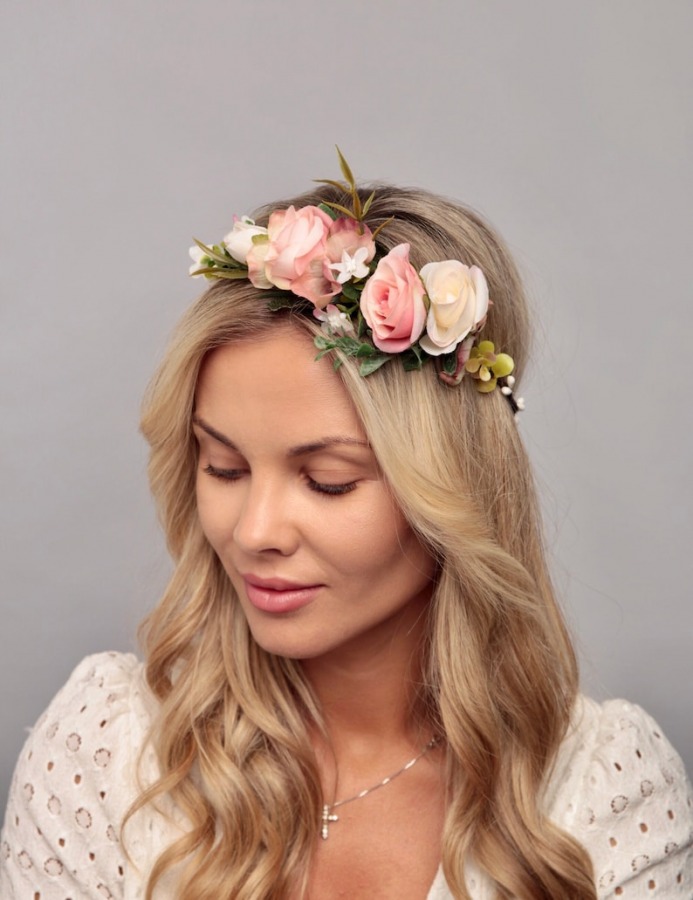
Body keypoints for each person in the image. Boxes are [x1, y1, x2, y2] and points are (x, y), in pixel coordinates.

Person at [1, 153, 691, 900]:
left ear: (452, 487)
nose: (255, 531)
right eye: (224, 468)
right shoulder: (108, 748)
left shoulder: (601, 788)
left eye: (328, 480)